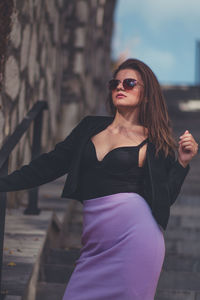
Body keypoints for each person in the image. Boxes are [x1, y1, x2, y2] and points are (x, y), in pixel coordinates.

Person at [0, 58, 198, 299]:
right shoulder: (89, 127)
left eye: (129, 83)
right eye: (115, 83)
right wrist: (5, 183)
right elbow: (49, 165)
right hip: (94, 245)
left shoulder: (156, 142)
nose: (120, 87)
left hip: (136, 240)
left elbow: (164, 198)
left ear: (146, 94)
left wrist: (182, 162)